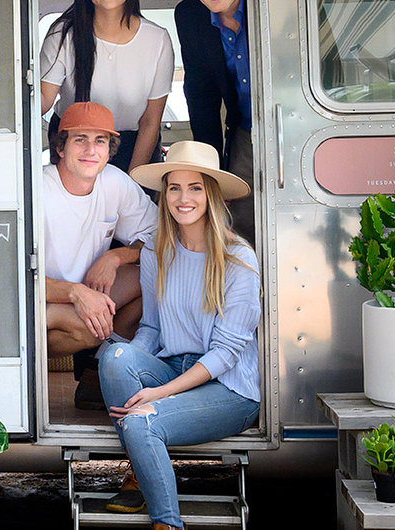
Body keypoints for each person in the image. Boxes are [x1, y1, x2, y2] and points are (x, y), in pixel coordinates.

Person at [97, 140, 261, 530]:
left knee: (141, 422)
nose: (182, 198)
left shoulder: (239, 259)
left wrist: (157, 395)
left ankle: (167, 523)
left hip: (228, 388)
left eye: (195, 188)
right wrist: (132, 369)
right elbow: (151, 327)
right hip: (173, 368)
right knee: (113, 357)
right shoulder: (158, 250)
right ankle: (143, 465)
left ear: (212, 194)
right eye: (174, 188)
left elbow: (224, 355)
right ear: (164, 194)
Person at [38, 102, 156, 410]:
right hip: (36, 299)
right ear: (60, 147)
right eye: (80, 139)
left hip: (87, 296)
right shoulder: (39, 189)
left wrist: (117, 257)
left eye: (100, 141)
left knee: (158, 277)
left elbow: (162, 238)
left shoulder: (114, 182)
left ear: (109, 149)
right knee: (92, 324)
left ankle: (96, 376)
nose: (91, 149)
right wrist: (75, 293)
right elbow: (12, 274)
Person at [39, 0, 176, 173]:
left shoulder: (158, 39)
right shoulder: (62, 34)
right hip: (74, 145)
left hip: (134, 147)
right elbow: (43, 100)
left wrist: (134, 182)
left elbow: (150, 121)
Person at [175, 0, 255, 242]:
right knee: (238, 223)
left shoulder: (275, 0)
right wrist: (211, 167)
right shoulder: (190, 15)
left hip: (296, 127)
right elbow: (201, 93)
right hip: (245, 132)